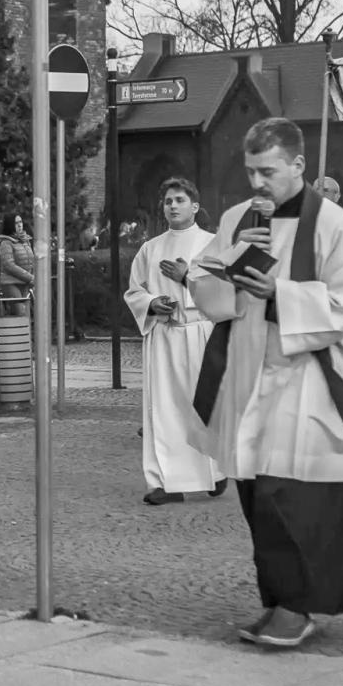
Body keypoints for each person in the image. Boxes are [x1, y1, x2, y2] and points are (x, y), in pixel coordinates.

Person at [188, 118, 343, 650]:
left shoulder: (333, 225)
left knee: (298, 498)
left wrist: (281, 295)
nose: (258, 183)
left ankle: (299, 605)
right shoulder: (239, 217)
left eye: (269, 171)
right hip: (250, 371)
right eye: (251, 171)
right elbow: (205, 282)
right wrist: (235, 263)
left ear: (299, 165)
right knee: (258, 493)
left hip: (309, 379)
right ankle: (279, 598)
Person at [123, 177, 223, 506]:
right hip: (164, 335)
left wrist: (188, 278)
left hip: (199, 332)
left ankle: (215, 472)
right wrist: (151, 303)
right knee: (163, 411)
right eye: (168, 201)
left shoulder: (214, 243)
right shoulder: (150, 249)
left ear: (194, 206)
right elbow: (134, 290)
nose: (173, 206)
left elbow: (230, 290)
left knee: (202, 407)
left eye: (180, 200)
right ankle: (165, 481)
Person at [0, 213, 34, 317]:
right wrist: (29, 277)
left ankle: (22, 333)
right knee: (20, 312)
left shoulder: (25, 241)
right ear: (10, 225)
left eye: (20, 222)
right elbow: (9, 265)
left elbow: (31, 261)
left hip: (24, 283)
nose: (19, 225)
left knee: (25, 314)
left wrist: (32, 276)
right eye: (16, 223)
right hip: (10, 283)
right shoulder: (6, 243)